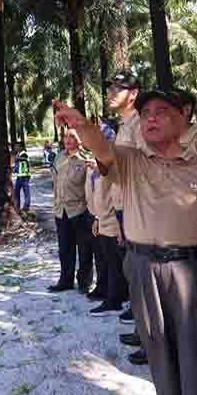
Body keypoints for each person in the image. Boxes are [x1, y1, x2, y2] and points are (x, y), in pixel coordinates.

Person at [55, 91, 197, 395]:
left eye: (162, 111)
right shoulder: (130, 161)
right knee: (163, 367)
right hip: (143, 270)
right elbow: (101, 149)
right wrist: (81, 124)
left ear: (183, 119)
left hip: (195, 274)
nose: (150, 117)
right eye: (145, 112)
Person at [105, 71, 148, 364]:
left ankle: (152, 338)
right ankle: (142, 330)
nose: (110, 93)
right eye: (109, 88)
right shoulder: (123, 124)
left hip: (136, 206)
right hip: (124, 205)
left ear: (133, 94)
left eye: (117, 88)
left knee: (142, 271)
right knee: (133, 268)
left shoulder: (140, 123)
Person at [85, 122, 128, 316]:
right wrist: (96, 217)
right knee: (109, 262)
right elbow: (96, 194)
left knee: (119, 264)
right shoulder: (95, 162)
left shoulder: (116, 162)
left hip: (114, 220)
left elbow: (118, 195)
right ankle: (113, 296)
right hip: (102, 219)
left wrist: (121, 225)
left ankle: (116, 300)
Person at [48, 129, 93, 293]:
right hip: (61, 211)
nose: (67, 139)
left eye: (72, 136)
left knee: (84, 249)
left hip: (79, 210)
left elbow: (91, 187)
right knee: (65, 249)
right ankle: (65, 281)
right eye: (66, 136)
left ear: (80, 139)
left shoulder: (86, 159)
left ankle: (84, 282)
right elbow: (55, 181)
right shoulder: (59, 157)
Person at [14, 145, 32, 212]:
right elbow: (18, 164)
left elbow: (23, 158)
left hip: (25, 176)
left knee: (26, 192)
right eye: (15, 146)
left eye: (17, 146)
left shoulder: (24, 154)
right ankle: (17, 207)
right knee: (16, 192)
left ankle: (26, 207)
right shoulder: (18, 154)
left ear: (21, 147)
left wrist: (16, 158)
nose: (16, 148)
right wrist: (15, 169)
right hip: (19, 176)